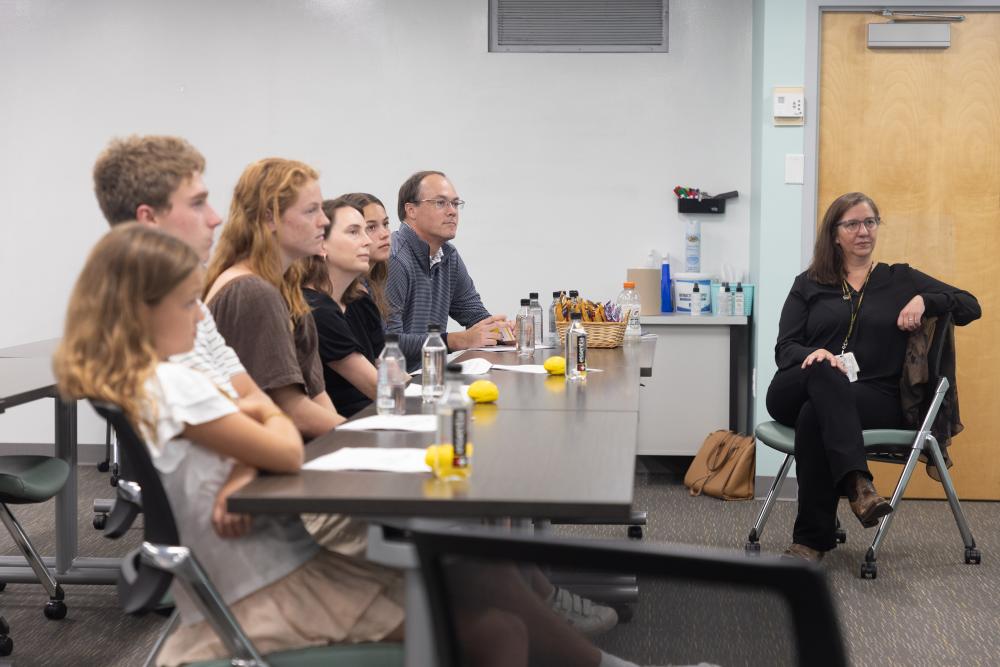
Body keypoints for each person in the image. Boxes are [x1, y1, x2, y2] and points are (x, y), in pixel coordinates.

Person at [53, 225, 404, 666]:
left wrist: (247, 452)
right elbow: (286, 447)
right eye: (188, 303)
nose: (202, 319)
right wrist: (265, 416)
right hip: (271, 590)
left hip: (257, 578)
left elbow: (252, 437)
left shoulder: (143, 379)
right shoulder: (176, 385)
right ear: (143, 310)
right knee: (463, 611)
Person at [766, 192, 981, 562]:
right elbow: (785, 349)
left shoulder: (900, 279)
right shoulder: (809, 283)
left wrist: (926, 300)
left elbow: (970, 305)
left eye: (870, 222)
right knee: (824, 372)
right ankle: (857, 483)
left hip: (873, 396)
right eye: (852, 224)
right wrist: (813, 355)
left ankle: (810, 542)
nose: (863, 231)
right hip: (798, 385)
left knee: (815, 416)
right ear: (835, 234)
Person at [93, 134, 281, 535]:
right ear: (149, 219)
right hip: (237, 532)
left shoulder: (191, 307)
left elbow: (255, 402)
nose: (215, 218)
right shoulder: (156, 326)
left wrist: (248, 450)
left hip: (249, 501)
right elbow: (257, 419)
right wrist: (254, 439)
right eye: (198, 203)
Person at [203, 158, 345, 438]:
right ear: (270, 218)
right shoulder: (251, 291)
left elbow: (316, 396)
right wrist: (363, 439)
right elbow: (292, 411)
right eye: (311, 210)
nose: (325, 220)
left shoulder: (284, 286)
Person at [387, 170, 510, 369]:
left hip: (430, 377)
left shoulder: (449, 255)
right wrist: (457, 340)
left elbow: (474, 314)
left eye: (455, 203)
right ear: (411, 210)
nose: (452, 211)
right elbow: (389, 341)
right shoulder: (394, 258)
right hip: (395, 382)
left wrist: (499, 330)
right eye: (440, 203)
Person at [302, 197, 393, 417]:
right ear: (321, 244)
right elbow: (380, 388)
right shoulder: (315, 309)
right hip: (344, 425)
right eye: (354, 232)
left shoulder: (360, 301)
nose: (367, 241)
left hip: (375, 415)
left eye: (365, 231)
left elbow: (390, 374)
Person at [343, 192, 392, 320]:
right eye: (371, 227)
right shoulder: (349, 291)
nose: (385, 234)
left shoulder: (373, 281)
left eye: (385, 224)